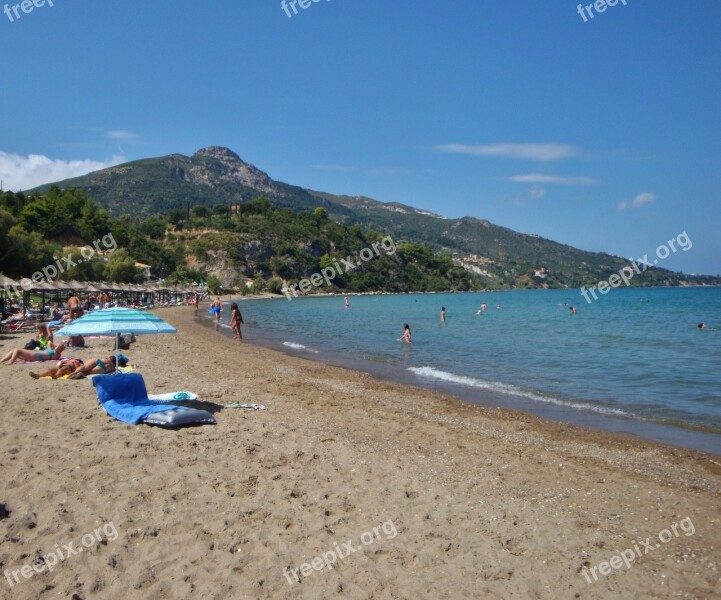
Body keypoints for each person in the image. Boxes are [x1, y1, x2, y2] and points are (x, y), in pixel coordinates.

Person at [0, 341, 67, 365]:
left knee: (17, 350)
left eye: (57, 345)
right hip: (35, 356)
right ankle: (1, 361)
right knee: (13, 351)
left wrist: (57, 346)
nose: (56, 345)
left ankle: (11, 361)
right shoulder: (53, 351)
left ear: (59, 348)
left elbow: (51, 343)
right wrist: (55, 346)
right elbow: (49, 342)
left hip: (36, 355)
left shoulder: (56, 354)